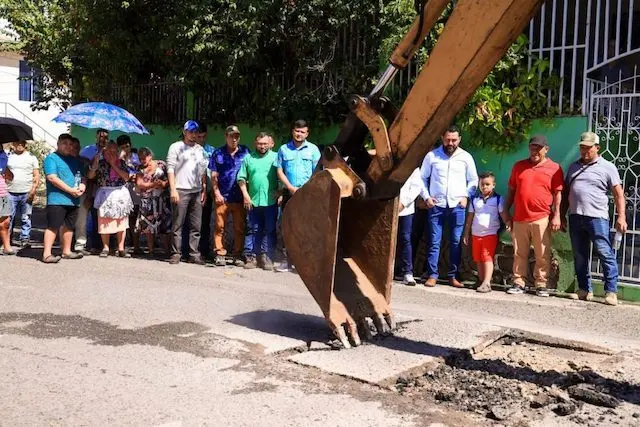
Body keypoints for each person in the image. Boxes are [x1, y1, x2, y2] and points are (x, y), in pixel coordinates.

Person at [561, 132, 626, 306]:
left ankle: (611, 291)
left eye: (588, 148)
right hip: (576, 216)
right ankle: (584, 289)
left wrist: (622, 217)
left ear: (597, 148)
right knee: (580, 255)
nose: (584, 151)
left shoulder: (608, 167)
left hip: (597, 218)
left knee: (605, 253)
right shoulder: (574, 167)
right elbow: (567, 192)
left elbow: (618, 194)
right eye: (582, 147)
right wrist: (561, 215)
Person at [419, 124, 478, 288]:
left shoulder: (466, 157)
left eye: (454, 140)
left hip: (457, 206)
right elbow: (422, 178)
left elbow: (473, 180)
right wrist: (426, 197)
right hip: (436, 206)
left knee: (455, 241)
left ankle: (453, 276)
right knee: (434, 241)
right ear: (442, 139)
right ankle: (432, 275)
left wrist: (466, 196)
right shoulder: (432, 156)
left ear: (459, 139)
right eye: (447, 140)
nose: (450, 143)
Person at [504, 135, 564, 297]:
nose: (535, 151)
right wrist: (505, 211)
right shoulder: (519, 166)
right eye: (532, 147)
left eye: (538, 148)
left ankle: (541, 284)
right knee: (519, 253)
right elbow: (511, 191)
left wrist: (557, 215)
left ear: (546, 149)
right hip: (519, 217)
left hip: (542, 217)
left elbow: (558, 194)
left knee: (542, 253)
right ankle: (518, 282)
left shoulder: (554, 168)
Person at [275, 119, 321, 272]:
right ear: (292, 131)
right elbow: (279, 171)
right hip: (289, 193)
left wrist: (307, 189)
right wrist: (289, 187)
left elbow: (318, 172)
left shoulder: (313, 150)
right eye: (297, 131)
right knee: (287, 227)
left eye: (302, 132)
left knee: (305, 228)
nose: (299, 134)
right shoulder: (283, 149)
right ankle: (285, 261)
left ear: (307, 133)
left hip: (307, 195)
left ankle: (301, 262)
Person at [166, 120, 208, 265]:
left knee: (196, 226)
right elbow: (170, 169)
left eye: (196, 131)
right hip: (180, 190)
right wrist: (173, 190)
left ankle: (193, 254)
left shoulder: (200, 150)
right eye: (190, 131)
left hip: (196, 191)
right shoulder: (176, 147)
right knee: (177, 224)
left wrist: (204, 189)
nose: (193, 134)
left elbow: (202, 171)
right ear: (184, 132)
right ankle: (176, 253)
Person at [463, 172, 511, 293]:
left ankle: (487, 282)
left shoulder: (498, 199)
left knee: (486, 257)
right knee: (478, 258)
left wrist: (509, 223)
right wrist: (466, 233)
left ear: (493, 185)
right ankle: (480, 280)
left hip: (490, 233)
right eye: (482, 184)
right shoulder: (474, 200)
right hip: (476, 233)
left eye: (487, 184)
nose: (484, 187)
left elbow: (503, 213)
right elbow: (470, 217)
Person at [41, 134, 87, 263]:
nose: (68, 146)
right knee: (53, 226)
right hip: (57, 199)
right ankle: (47, 254)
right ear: (58, 144)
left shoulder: (75, 160)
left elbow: (83, 176)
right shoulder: (51, 158)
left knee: (69, 226)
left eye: (70, 144)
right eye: (64, 143)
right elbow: (52, 178)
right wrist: (70, 190)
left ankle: (66, 251)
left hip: (73, 200)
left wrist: (83, 186)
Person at [209, 125, 250, 266]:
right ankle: (219, 253)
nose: (234, 139)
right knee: (219, 226)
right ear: (226, 136)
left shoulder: (245, 152)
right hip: (222, 197)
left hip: (239, 197)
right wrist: (216, 192)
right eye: (231, 136)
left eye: (236, 136)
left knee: (239, 227)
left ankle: (238, 254)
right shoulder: (218, 153)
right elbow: (213, 175)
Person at [237, 132, 279, 270]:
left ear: (270, 144)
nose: (262, 146)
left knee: (270, 230)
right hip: (253, 201)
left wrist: (281, 192)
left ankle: (268, 257)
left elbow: (283, 175)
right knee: (252, 230)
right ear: (255, 143)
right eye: (260, 143)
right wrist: (245, 195)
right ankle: (252, 257)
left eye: (265, 143)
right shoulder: (248, 158)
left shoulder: (276, 157)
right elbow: (241, 178)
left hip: (270, 201)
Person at [87, 141, 134, 258]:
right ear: (104, 152)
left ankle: (121, 248)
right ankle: (106, 247)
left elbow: (126, 177)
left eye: (114, 151)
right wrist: (95, 164)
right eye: (109, 151)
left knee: (122, 221)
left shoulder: (121, 163)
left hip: (119, 194)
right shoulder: (100, 163)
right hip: (105, 194)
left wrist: (114, 165)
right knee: (104, 221)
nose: (111, 153)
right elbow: (90, 176)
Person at [75, 128, 109, 253]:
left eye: (106, 137)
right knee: (83, 217)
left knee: (100, 217)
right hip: (88, 186)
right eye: (101, 136)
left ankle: (99, 245)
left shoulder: (110, 151)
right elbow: (84, 170)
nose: (103, 139)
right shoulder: (87, 150)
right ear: (96, 137)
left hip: (104, 188)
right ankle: (81, 243)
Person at [135, 147, 171, 255]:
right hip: (147, 201)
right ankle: (151, 250)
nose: (142, 161)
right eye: (140, 158)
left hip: (162, 199)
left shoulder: (161, 165)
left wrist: (164, 184)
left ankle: (167, 250)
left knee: (164, 225)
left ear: (150, 156)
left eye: (144, 158)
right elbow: (140, 184)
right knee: (148, 226)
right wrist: (154, 184)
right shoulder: (140, 169)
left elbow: (169, 179)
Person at [7, 140, 40, 248]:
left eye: (22, 142)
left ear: (26, 144)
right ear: (13, 144)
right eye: (17, 142)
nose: (20, 144)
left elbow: (36, 175)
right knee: (8, 217)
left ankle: (24, 239)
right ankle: (7, 239)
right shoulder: (8, 156)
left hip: (26, 191)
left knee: (26, 217)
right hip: (10, 191)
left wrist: (34, 189)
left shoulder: (31, 157)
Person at [395, 168, 425, 286]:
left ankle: (407, 272)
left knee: (405, 238)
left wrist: (403, 203)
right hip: (387, 206)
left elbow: (416, 187)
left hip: (405, 209)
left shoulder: (412, 164)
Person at [196, 122, 215, 259]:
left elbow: (214, 171)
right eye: (199, 137)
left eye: (203, 137)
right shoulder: (189, 149)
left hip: (207, 191)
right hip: (191, 189)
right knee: (191, 222)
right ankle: (190, 250)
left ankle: (204, 250)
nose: (201, 140)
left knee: (205, 222)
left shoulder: (211, 151)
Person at [0, 149, 14, 255]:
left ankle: (6, 246)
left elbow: (10, 177)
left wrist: (7, 172)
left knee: (5, 222)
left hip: (3, 193)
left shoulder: (3, 156)